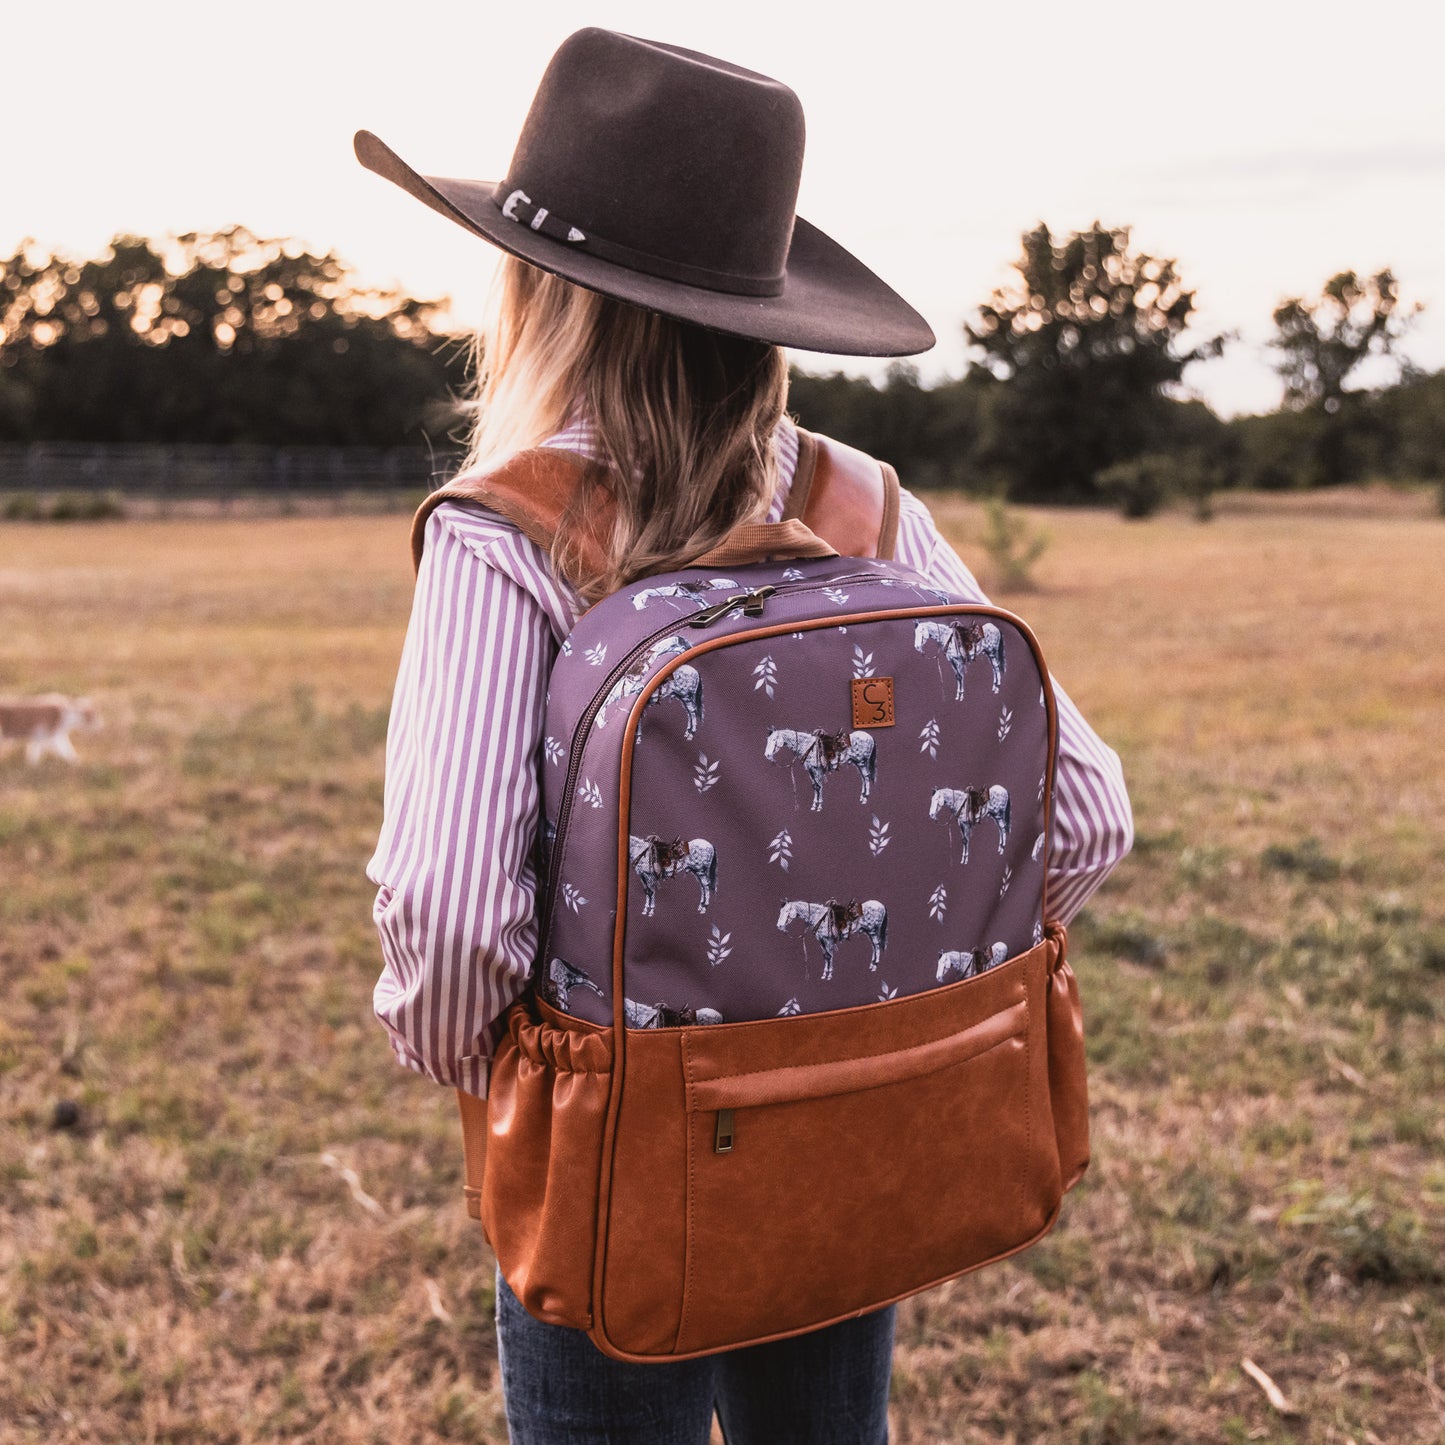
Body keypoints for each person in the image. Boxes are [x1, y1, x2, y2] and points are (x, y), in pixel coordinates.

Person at [359, 27, 1132, 1444]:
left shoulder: (505, 532)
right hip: (857, 1109)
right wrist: (888, 985)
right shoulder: (863, 503)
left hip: (619, 1147)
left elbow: (452, 912)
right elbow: (1083, 815)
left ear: (541, 294)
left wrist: (486, 1066)